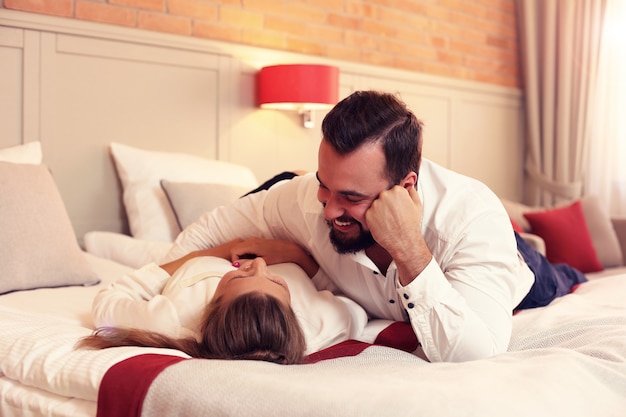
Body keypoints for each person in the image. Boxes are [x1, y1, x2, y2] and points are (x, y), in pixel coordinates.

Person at [161, 90, 537, 363]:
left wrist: (408, 248)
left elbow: (474, 356)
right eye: (326, 185)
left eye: (352, 198)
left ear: (404, 188)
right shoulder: (304, 197)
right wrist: (158, 281)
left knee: (554, 267)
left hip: (521, 270)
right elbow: (213, 228)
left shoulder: (469, 219)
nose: (329, 211)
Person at [78, 238, 367, 365]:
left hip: (220, 243)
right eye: (278, 283)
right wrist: (296, 255)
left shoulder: (170, 319)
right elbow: (355, 302)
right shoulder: (315, 327)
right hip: (291, 240)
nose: (261, 265)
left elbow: (106, 302)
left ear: (205, 317)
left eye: (237, 278)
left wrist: (221, 251)